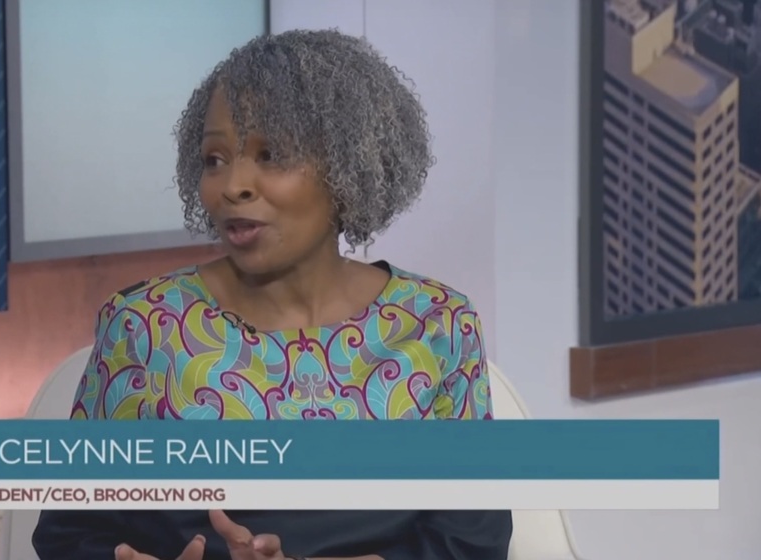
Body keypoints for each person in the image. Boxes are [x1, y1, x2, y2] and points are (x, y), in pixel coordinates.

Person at [32, 29, 512, 560]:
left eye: (272, 153)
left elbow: (474, 538)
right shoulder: (144, 326)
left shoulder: (438, 325)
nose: (233, 184)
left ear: (349, 166)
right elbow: (68, 533)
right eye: (215, 158)